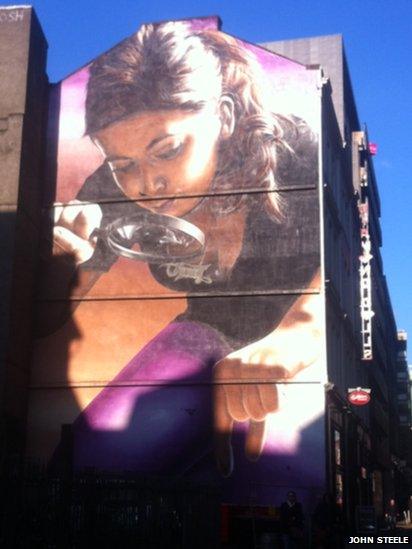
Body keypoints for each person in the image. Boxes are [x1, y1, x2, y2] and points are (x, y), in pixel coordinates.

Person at [49, 21, 321, 476]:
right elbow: (44, 321)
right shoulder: (109, 192)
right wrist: (59, 260)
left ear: (226, 117)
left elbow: (343, 273)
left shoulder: (294, 149)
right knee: (89, 464)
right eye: (122, 164)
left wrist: (296, 335)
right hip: (206, 334)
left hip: (305, 347)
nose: (147, 183)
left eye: (168, 149)